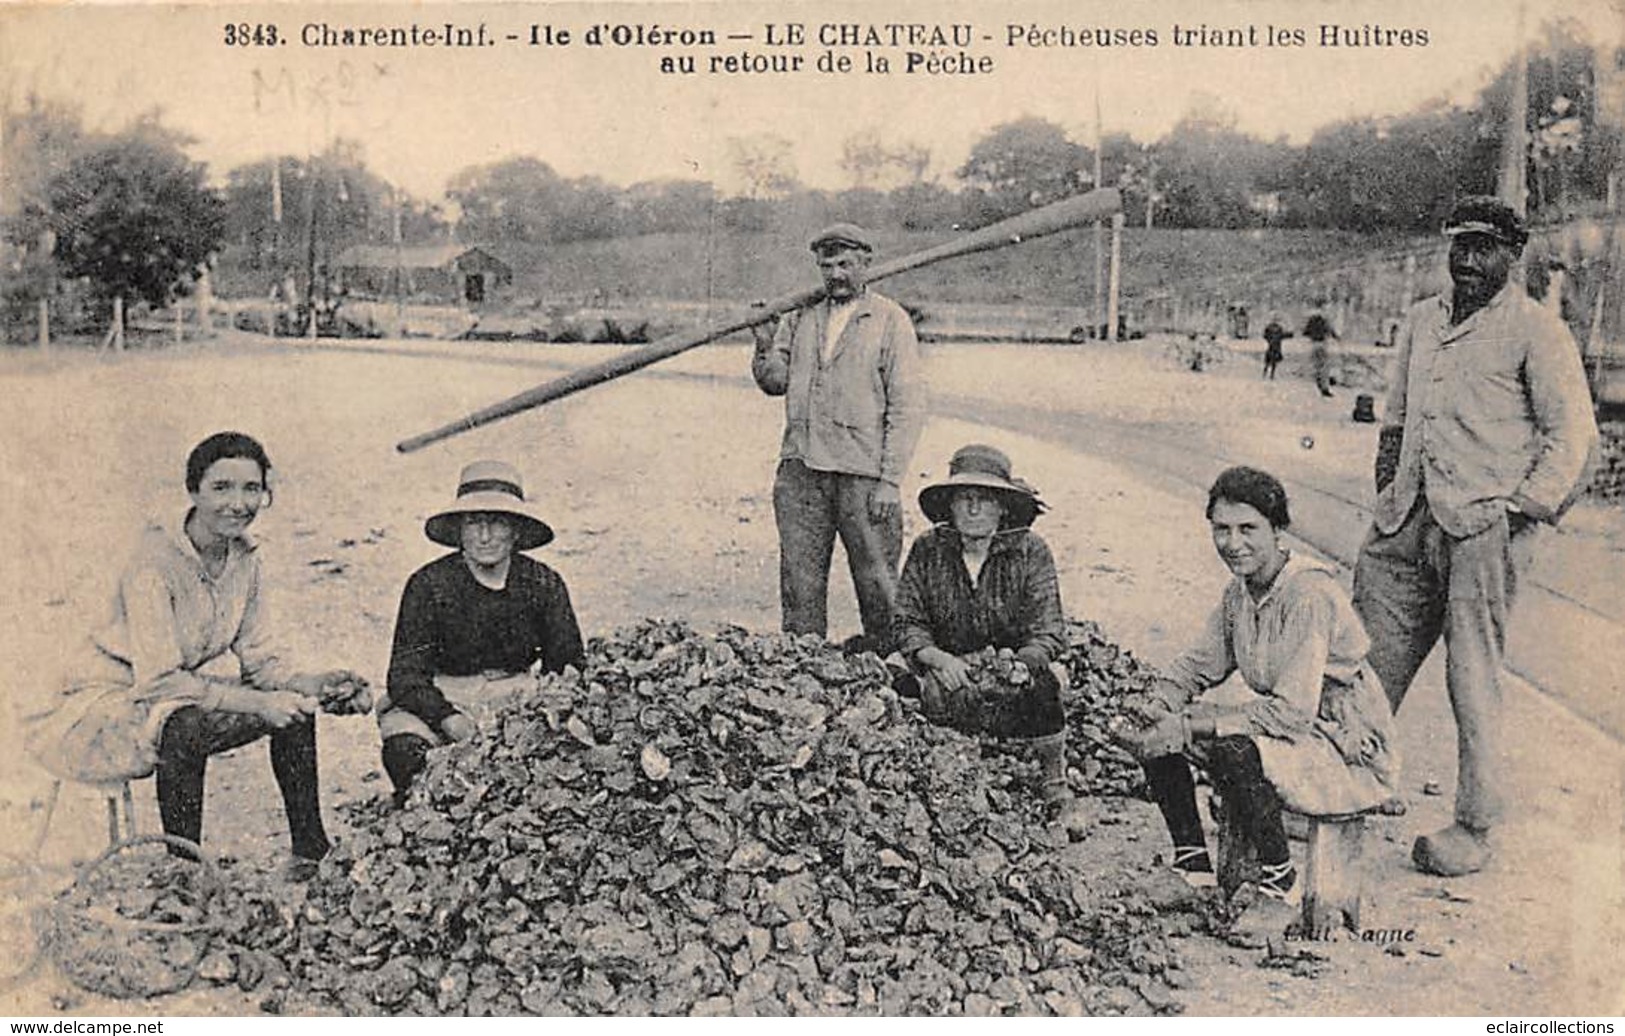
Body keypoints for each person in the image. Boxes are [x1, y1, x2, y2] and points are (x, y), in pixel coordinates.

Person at [1351, 196, 1598, 877]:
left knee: (1471, 677)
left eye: (1483, 247)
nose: (1465, 260)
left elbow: (1572, 439)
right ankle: (1344, 786)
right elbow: (1395, 420)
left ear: (1511, 256)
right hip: (1406, 519)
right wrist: (1385, 491)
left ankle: (1473, 825)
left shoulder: (1534, 331)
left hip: (1482, 528)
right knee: (1363, 660)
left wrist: (1518, 513)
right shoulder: (1420, 322)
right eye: (1458, 245)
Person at [22, 432, 371, 878]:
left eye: (251, 488)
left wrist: (320, 684)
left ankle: (310, 850)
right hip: (102, 705)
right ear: (193, 492)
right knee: (185, 725)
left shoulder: (246, 559)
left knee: (295, 710)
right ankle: (185, 871)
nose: (237, 503)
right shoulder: (154, 563)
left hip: (168, 692)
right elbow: (158, 681)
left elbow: (262, 661)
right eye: (221, 488)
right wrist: (258, 702)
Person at [1115, 467, 1398, 902]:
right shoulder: (1239, 594)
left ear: (1278, 529)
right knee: (1156, 734)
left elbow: (1291, 714)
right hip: (1293, 728)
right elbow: (1199, 664)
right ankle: (1193, 868)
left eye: (1249, 529)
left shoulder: (1307, 595)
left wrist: (1191, 725)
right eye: (1221, 529)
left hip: (1343, 740)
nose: (1233, 543)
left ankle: (1279, 881)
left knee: (1232, 749)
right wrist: (1158, 701)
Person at [751, 223, 926, 655]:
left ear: (866, 264)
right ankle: (803, 666)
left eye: (846, 264)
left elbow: (907, 406)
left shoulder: (889, 320)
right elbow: (774, 383)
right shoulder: (801, 315)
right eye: (827, 265)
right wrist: (762, 346)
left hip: (863, 472)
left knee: (879, 581)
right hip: (802, 468)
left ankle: (892, 666)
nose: (836, 274)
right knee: (800, 579)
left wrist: (889, 480)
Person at [379, 460, 584, 801]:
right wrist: (449, 719)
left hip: (517, 697)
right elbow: (404, 676)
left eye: (497, 522)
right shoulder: (428, 585)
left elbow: (566, 660)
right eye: (474, 523)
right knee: (405, 753)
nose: (485, 536)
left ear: (516, 530)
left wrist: (543, 706)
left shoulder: (543, 582)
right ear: (460, 530)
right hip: (445, 697)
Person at [893, 445, 1074, 812]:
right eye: (964, 498)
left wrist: (1020, 663)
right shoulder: (928, 549)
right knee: (894, 682)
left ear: (1003, 506)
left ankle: (1054, 781)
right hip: (945, 672)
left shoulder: (1031, 551)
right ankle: (916, 777)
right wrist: (938, 660)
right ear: (951, 506)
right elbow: (906, 620)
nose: (973, 508)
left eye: (985, 499)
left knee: (1049, 683)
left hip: (1007, 671)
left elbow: (1050, 629)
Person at [1303, 299, 1339, 397]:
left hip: (1313, 343)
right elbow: (1330, 330)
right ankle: (1324, 387)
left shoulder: (1311, 318)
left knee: (1317, 365)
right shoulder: (1325, 318)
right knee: (1324, 366)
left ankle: (1319, 382)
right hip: (1322, 343)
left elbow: (1305, 332)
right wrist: (1336, 337)